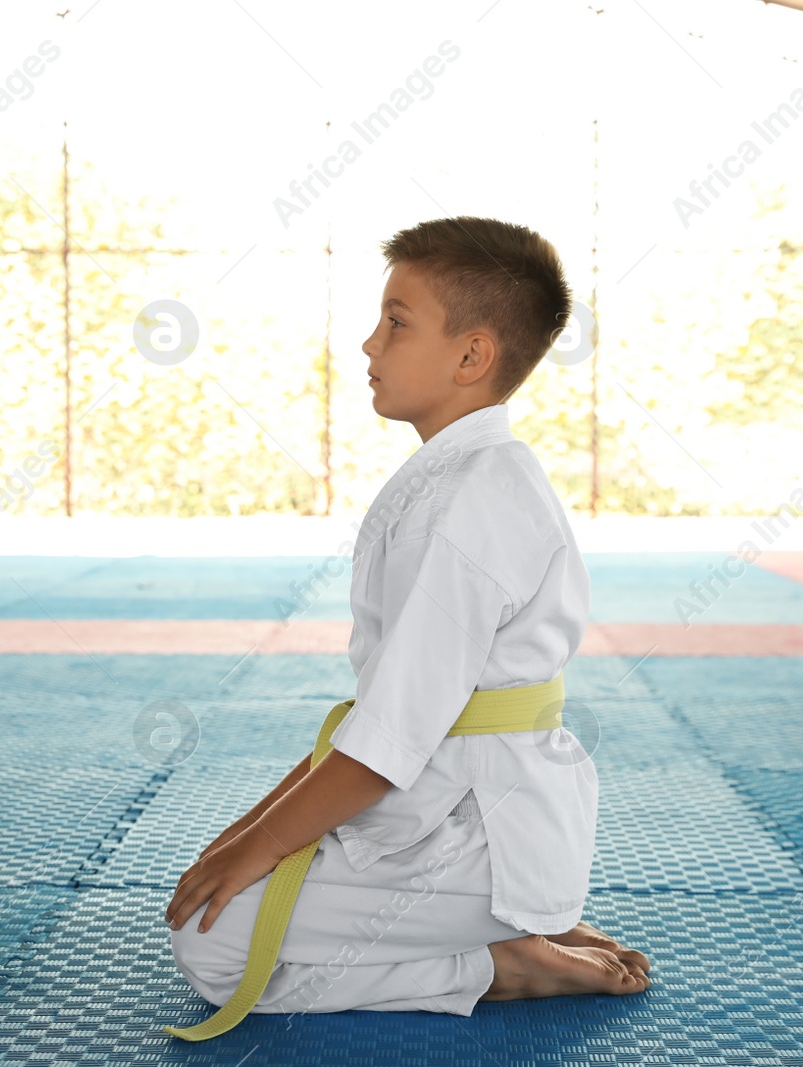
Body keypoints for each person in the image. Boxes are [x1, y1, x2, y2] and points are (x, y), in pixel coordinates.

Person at [165, 216, 651, 1031]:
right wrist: (248, 831)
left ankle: (501, 961)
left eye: (396, 322)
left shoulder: (464, 505)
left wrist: (256, 846)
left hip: (477, 840)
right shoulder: (469, 475)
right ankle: (515, 926)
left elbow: (388, 738)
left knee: (209, 947)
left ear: (472, 355)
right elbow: (379, 719)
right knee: (226, 880)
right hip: (472, 813)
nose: (368, 344)